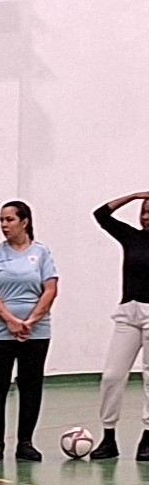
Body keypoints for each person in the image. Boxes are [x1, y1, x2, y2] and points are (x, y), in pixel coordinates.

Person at [0, 200, 58, 463]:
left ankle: (25, 443)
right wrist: (9, 320)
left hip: (36, 331)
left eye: (9, 220)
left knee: (31, 385)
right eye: (1, 220)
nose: (4, 225)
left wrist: (31, 321)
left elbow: (50, 289)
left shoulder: (42, 254)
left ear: (25, 222)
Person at [91, 190, 149, 461]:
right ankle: (108, 436)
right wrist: (134, 196)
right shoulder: (131, 236)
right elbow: (101, 215)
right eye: (144, 211)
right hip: (128, 312)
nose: (146, 216)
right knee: (112, 375)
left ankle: (148, 437)